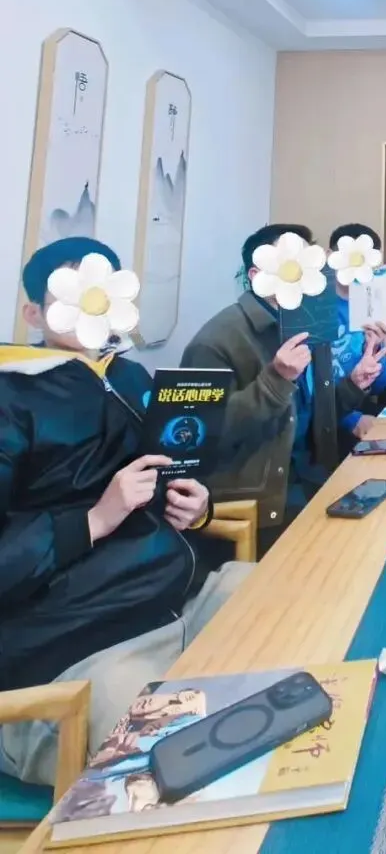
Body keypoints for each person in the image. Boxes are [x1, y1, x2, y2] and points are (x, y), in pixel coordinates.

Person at [0, 237, 250, 787]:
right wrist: (94, 520)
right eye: (75, 294)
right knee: (173, 754)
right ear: (33, 313)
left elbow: (168, 476)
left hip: (175, 602)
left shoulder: (131, 377)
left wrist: (197, 506)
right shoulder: (10, 396)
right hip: (75, 654)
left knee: (276, 600)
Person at [181, 223, 386, 536]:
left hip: (316, 475)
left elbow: (315, 414)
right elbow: (195, 436)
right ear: (256, 276)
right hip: (264, 500)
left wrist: (354, 384)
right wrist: (275, 381)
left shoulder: (309, 324)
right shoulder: (216, 341)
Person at [327, 222, 386, 412]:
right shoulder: (315, 308)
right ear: (330, 256)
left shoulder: (372, 306)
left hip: (358, 401)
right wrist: (352, 421)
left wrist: (374, 348)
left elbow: (381, 385)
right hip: (326, 414)